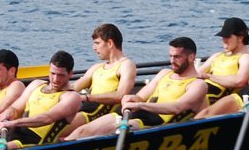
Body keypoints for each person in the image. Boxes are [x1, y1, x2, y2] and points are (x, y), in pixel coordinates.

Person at [72, 37, 209, 140]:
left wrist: (140, 105)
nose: (172, 61)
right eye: (170, 56)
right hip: (139, 113)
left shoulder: (198, 84)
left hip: (158, 123)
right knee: (83, 132)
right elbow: (140, 96)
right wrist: (131, 98)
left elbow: (176, 107)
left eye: (177, 57)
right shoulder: (164, 73)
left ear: (191, 57)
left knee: (110, 130)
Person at [0, 51, 84, 150]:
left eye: (61, 75)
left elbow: (46, 118)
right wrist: (8, 112)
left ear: (70, 74)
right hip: (12, 133)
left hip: (35, 142)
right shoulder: (36, 84)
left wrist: (14, 123)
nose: (55, 79)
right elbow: (16, 108)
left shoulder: (71, 97)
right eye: (52, 73)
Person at [65, 23, 136, 136]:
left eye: (97, 43)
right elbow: (73, 87)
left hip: (100, 112)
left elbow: (121, 95)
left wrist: (87, 97)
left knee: (59, 126)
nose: (94, 48)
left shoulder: (126, 65)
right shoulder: (96, 67)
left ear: (110, 43)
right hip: (86, 107)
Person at [199, 17, 249, 117]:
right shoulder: (217, 56)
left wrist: (209, 76)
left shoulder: (246, 58)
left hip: (217, 99)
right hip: (202, 91)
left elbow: (240, 81)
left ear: (240, 37)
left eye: (227, 37)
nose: (224, 40)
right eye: (223, 37)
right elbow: (196, 73)